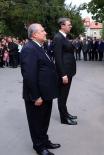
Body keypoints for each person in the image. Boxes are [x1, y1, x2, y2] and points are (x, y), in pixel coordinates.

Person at [20, 23, 60, 155]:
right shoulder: (29, 49)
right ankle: (39, 146)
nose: (45, 33)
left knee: (44, 120)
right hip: (37, 95)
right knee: (36, 122)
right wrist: (36, 96)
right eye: (43, 31)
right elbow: (29, 75)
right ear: (34, 34)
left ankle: (44, 140)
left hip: (46, 93)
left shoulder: (39, 47)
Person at [53, 18, 77, 125]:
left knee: (65, 95)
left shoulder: (64, 37)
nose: (70, 26)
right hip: (64, 72)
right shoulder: (58, 37)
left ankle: (66, 113)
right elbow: (58, 57)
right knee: (62, 95)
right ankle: (64, 119)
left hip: (69, 71)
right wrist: (63, 74)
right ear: (62, 26)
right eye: (69, 25)